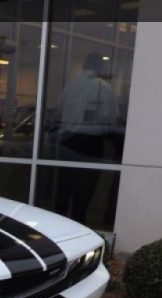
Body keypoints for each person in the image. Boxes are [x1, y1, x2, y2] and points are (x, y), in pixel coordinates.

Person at [54, 52, 119, 224]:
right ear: (100, 67)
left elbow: (58, 109)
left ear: (84, 66)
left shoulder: (70, 86)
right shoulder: (104, 88)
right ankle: (78, 223)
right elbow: (111, 117)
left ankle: (57, 224)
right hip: (90, 144)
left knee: (64, 187)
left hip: (67, 140)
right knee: (85, 189)